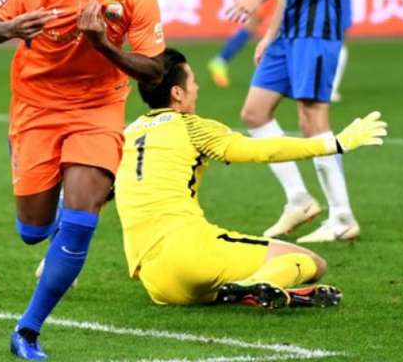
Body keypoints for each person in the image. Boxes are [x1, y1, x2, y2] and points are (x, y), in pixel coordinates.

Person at [0, 0, 165, 360]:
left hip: (98, 107)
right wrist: (10, 29)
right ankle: (54, 194)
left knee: (81, 221)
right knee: (33, 232)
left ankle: (28, 331)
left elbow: (154, 70)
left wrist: (104, 46)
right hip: (36, 108)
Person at [115, 48, 387, 308]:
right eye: (194, 82)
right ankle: (254, 286)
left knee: (216, 281)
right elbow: (263, 149)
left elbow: (97, 192)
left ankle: (240, 291)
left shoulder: (128, 133)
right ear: (177, 93)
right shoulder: (192, 127)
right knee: (311, 261)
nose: (197, 88)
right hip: (191, 256)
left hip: (155, 282)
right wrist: (332, 144)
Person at [228, 0, 360, 243]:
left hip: (317, 32)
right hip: (288, 34)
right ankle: (299, 198)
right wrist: (270, 32)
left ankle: (341, 216)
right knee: (254, 113)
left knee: (312, 121)